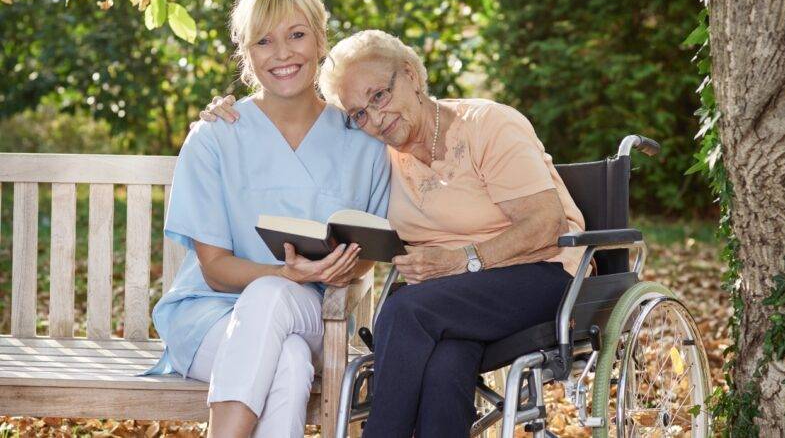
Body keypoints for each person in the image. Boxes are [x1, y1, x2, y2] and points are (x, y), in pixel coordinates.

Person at [201, 29, 586, 438]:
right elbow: (298, 122)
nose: (375, 118)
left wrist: (462, 260)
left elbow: (547, 224)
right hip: (452, 301)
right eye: (359, 114)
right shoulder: (379, 156)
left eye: (379, 96)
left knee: (404, 310)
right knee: (445, 365)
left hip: (546, 276)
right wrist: (233, 114)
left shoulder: (488, 124)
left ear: (411, 75)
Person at [145, 0, 390, 438]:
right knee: (290, 360)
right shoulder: (215, 137)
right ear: (246, 52)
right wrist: (284, 273)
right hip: (208, 320)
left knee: (273, 302)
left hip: (315, 312)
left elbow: (370, 248)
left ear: (320, 40)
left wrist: (333, 270)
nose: (282, 54)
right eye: (263, 41)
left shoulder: (365, 142)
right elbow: (216, 271)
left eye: (296, 35)